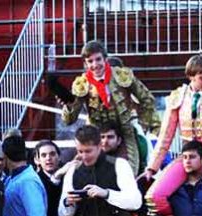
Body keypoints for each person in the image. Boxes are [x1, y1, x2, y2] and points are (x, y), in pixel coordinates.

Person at [145, 55, 202, 216]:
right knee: (153, 198)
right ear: (190, 77)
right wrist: (152, 166)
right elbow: (166, 135)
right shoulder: (177, 98)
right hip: (187, 157)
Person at [62, 40, 158, 176]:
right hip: (96, 134)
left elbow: (146, 98)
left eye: (98, 59)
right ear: (85, 63)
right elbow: (69, 120)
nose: (95, 65)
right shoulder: (82, 84)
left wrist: (145, 122)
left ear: (105, 59)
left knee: (129, 173)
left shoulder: (121, 75)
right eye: (90, 61)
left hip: (124, 130)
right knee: (84, 174)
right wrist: (68, 104)